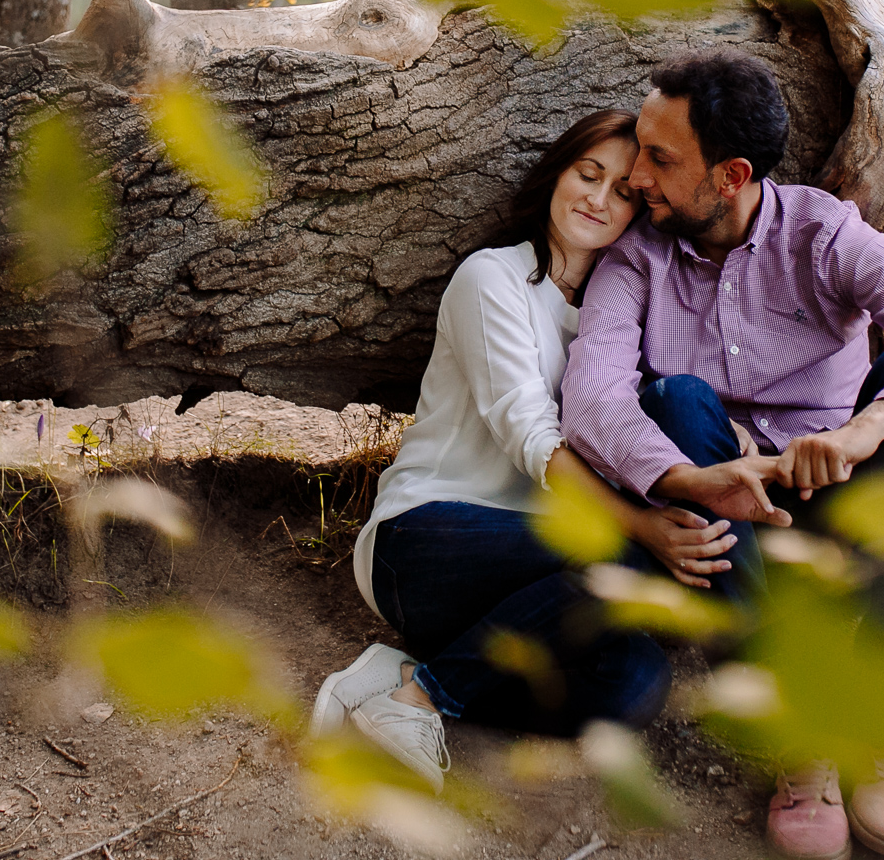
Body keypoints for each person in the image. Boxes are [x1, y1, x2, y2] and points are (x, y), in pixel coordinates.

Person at [559, 49, 884, 860]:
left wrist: (859, 433)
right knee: (678, 403)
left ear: (729, 176)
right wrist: (695, 476)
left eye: (660, 159)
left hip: (842, 500)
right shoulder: (637, 255)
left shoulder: (823, 232)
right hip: (728, 532)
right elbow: (592, 399)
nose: (637, 180)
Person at [310, 110, 739, 792]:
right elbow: (530, 436)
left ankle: (407, 674)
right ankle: (420, 702)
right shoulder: (494, 280)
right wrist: (640, 528)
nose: (599, 200)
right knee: (625, 552)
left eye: (623, 191)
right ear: (556, 175)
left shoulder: (613, 321)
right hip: (423, 541)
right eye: (587, 175)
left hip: (536, 574)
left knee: (635, 685)